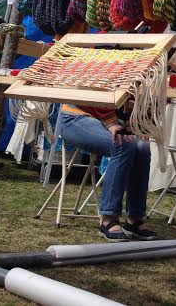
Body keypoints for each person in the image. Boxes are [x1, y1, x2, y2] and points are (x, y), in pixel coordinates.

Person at [59, 103, 156, 241]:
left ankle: (134, 219)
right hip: (77, 116)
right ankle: (109, 219)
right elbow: (99, 95)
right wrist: (111, 123)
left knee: (142, 147)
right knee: (123, 144)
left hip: (107, 119)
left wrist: (135, 124)